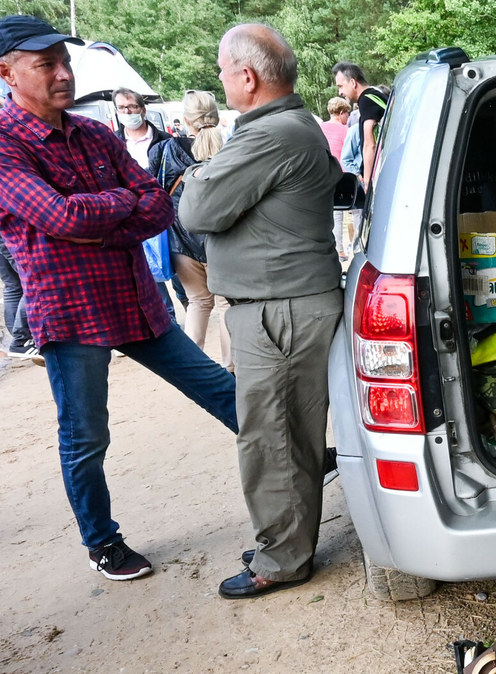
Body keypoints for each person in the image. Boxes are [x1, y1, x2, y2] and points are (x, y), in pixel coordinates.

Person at [0, 15, 238, 582]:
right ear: (6, 72)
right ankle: (102, 541)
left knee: (218, 386)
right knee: (85, 434)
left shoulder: (95, 133)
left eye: (65, 61)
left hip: (134, 300)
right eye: (46, 65)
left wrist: (95, 219)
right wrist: (117, 209)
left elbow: (156, 204)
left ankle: (300, 461)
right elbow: (57, 215)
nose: (63, 74)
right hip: (72, 312)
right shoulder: (5, 144)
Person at [180, 23, 344, 599]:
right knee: (287, 434)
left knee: (272, 437)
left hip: (281, 309)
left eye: (224, 70)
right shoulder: (287, 128)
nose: (221, 79)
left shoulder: (271, 135)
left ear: (246, 77)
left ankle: (282, 558)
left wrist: (196, 173)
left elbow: (197, 208)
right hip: (285, 305)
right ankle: (286, 538)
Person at [147, 90, 232, 370]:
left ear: (184, 119)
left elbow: (154, 194)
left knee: (197, 303)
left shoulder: (164, 151)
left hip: (180, 241)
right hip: (222, 241)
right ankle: (230, 369)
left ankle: (191, 367)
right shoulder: (231, 149)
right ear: (216, 117)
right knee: (225, 305)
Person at [113, 87, 186, 319]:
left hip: (168, 216)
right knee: (150, 271)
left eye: (132, 107)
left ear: (143, 110)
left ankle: (189, 305)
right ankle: (169, 319)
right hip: (134, 218)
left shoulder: (165, 141)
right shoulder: (113, 144)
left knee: (178, 268)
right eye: (122, 108)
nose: (127, 112)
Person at [331, 61, 385, 187]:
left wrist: (367, 181)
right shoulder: (377, 95)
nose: (340, 92)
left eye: (341, 86)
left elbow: (369, 144)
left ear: (353, 83)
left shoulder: (366, 100)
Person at [320, 96, 350, 259]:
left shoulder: (320, 127)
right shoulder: (346, 130)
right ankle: (351, 247)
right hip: (344, 174)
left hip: (325, 174)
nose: (347, 117)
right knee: (352, 212)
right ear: (341, 113)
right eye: (347, 113)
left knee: (333, 215)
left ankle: (336, 248)